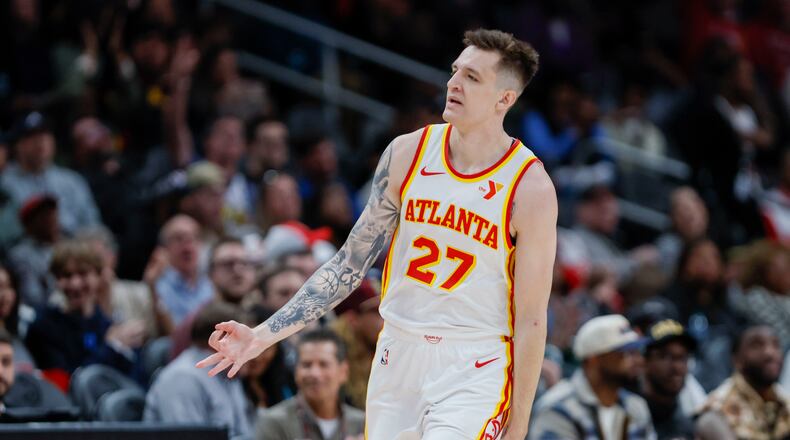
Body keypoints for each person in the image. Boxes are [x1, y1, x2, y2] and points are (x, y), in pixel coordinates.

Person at [198, 28, 557, 440]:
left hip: (474, 362)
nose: (453, 84)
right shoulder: (407, 153)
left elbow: (532, 318)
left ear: (504, 99)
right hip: (398, 351)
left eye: (472, 77)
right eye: (455, 71)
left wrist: (520, 423)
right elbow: (348, 264)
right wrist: (261, 335)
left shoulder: (529, 187)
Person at [529, 315, 656, 440]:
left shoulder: (636, 406)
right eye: (626, 353)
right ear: (593, 359)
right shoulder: (557, 407)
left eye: (637, 352)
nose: (638, 360)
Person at [144, 301, 254, 440]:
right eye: (244, 339)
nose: (251, 348)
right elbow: (186, 437)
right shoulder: (181, 378)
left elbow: (245, 434)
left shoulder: (229, 371)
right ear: (221, 339)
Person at [255, 328, 364, 440]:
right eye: (306, 365)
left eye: (324, 364)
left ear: (343, 372)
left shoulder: (363, 424)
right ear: (296, 371)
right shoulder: (274, 422)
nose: (314, 373)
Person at [696, 325, 790, 440]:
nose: (769, 353)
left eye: (775, 345)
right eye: (757, 345)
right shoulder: (718, 409)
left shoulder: (783, 400)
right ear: (737, 360)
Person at [639, 319, 698, 440]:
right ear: (645, 362)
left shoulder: (687, 420)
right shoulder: (629, 411)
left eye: (682, 357)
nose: (677, 366)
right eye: (665, 357)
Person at [329, 279, 383, 410]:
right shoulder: (330, 361)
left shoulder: (388, 353)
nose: (385, 320)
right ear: (352, 319)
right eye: (378, 312)